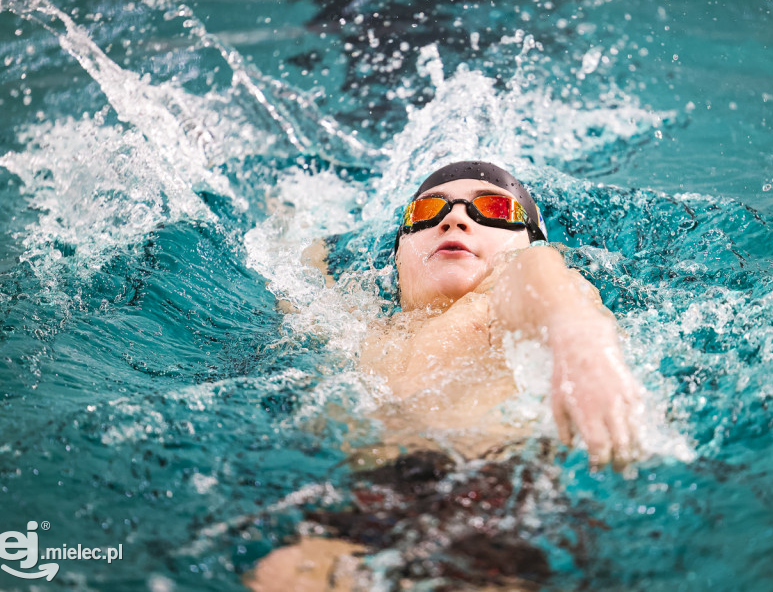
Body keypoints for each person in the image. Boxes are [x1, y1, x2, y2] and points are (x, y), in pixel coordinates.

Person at [245, 161, 645, 591]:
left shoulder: (501, 297)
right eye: (427, 211)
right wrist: (289, 212)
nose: (455, 218)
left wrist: (578, 341)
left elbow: (540, 280)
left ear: (529, 240)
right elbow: (295, 280)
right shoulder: (361, 328)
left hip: (491, 500)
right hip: (371, 498)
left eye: (493, 208)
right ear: (399, 254)